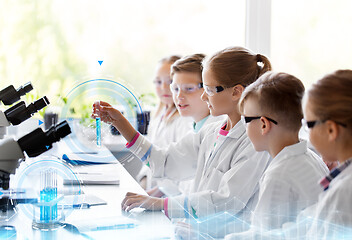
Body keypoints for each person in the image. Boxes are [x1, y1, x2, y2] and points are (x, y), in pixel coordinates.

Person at [92, 46, 272, 238]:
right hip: (196, 232)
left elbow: (226, 201)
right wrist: (120, 122)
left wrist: (162, 204)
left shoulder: (254, 142)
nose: (204, 96)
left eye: (209, 89)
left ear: (236, 92)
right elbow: (165, 162)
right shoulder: (211, 132)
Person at [224, 72, 329, 239]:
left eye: (246, 120)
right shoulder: (311, 159)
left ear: (264, 124)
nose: (245, 128)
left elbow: (262, 235)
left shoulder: (279, 175)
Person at [149, 53, 225, 198]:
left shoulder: (215, 130)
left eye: (189, 89)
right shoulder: (194, 126)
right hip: (183, 210)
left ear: (208, 89)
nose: (179, 97)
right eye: (175, 89)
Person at [287, 69, 352, 240]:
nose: (306, 132)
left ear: (331, 129)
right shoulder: (342, 181)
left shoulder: (345, 192)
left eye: (308, 125)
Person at [136, 55, 193, 189]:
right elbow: (149, 159)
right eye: (158, 82)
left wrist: (154, 196)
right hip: (153, 192)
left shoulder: (185, 120)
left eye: (170, 82)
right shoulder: (158, 115)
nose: (164, 87)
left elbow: (181, 170)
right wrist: (143, 185)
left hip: (169, 197)